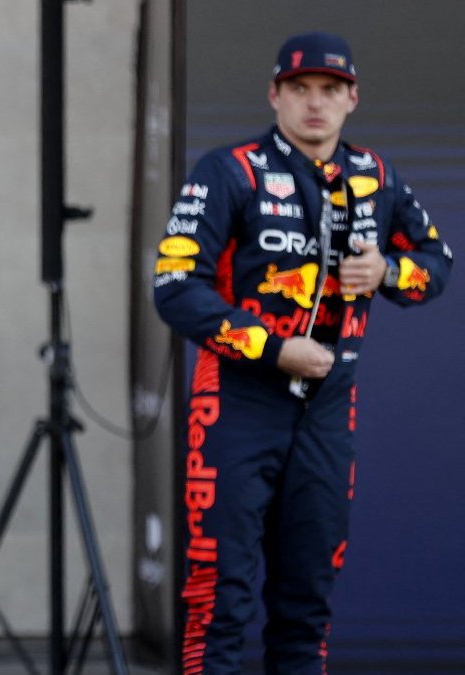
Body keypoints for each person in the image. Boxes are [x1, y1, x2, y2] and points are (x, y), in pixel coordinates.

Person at [154, 31, 452, 673]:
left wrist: (387, 273)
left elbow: (438, 262)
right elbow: (175, 289)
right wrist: (271, 349)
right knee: (218, 602)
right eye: (299, 89)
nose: (314, 103)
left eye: (330, 90)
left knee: (307, 606)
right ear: (274, 95)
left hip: (327, 412)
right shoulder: (228, 170)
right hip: (236, 404)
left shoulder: (376, 175)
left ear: (352, 98)